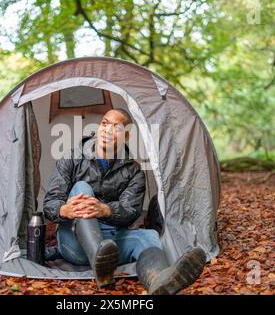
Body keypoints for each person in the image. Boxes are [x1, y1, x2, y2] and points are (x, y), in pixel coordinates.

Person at [43, 108, 206, 294]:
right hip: (73, 242)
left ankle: (159, 281)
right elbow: (49, 203)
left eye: (116, 128)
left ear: (126, 136)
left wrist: (104, 210)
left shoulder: (133, 171)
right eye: (105, 124)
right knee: (82, 188)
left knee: (149, 237)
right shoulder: (72, 158)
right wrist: (65, 210)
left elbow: (130, 212)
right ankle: (99, 261)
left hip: (111, 245)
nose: (107, 131)